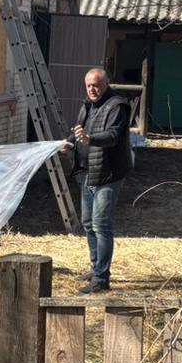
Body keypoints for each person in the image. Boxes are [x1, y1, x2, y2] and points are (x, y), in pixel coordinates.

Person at [69, 67, 131, 293]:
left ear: (106, 84)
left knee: (101, 225)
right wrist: (69, 142)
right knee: (88, 223)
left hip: (108, 174)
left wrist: (90, 139)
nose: (92, 89)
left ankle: (101, 279)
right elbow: (79, 132)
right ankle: (96, 267)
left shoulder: (117, 106)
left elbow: (113, 136)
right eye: (88, 85)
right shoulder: (87, 105)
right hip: (87, 173)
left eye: (96, 85)